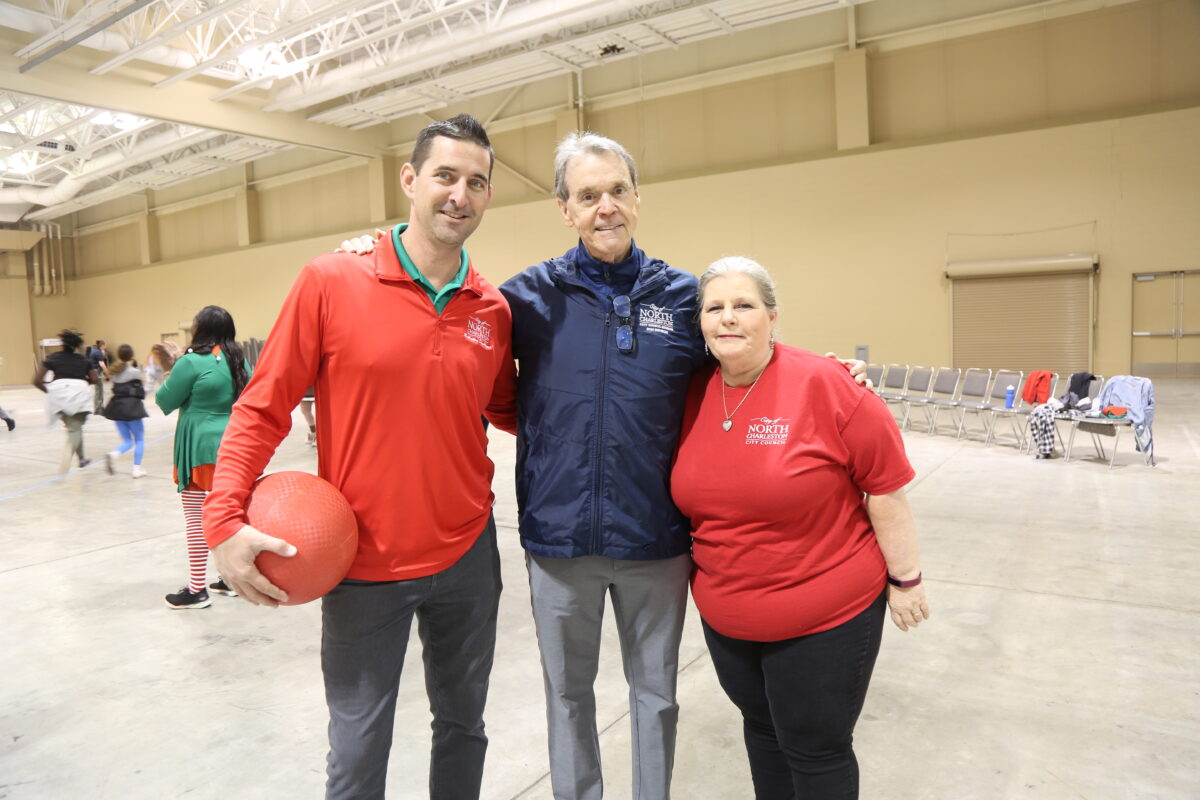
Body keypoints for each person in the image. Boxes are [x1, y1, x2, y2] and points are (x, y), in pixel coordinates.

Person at [338, 131, 866, 799]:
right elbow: (472, 363)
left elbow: (747, 362)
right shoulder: (524, 299)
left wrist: (831, 372)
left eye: (617, 192)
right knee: (568, 698)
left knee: (657, 696)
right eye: (588, 196)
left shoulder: (680, 297)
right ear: (565, 209)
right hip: (559, 544)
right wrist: (369, 251)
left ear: (637, 199)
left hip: (658, 542)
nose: (605, 208)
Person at [202, 114, 517, 800]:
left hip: (469, 555)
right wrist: (222, 522)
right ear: (409, 179)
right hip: (361, 565)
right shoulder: (329, 280)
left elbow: (511, 409)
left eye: (476, 182)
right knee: (357, 748)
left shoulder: (491, 308)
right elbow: (262, 407)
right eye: (445, 176)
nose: (459, 194)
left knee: (464, 726)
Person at [670, 257, 929, 799]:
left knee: (815, 750)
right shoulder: (691, 392)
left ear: (772, 316)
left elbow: (884, 488)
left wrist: (906, 580)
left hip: (825, 615)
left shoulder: (827, 385)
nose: (729, 318)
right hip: (727, 617)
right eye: (715, 308)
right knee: (763, 734)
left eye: (744, 305)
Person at [155, 306, 251, 609]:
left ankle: (197, 589)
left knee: (196, 520)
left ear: (201, 330)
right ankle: (230, 578)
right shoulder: (239, 361)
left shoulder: (190, 362)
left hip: (198, 448)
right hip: (234, 445)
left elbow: (165, 400)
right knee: (230, 514)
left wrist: (169, 366)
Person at [33, 329, 99, 471]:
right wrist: (84, 381)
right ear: (76, 345)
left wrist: (50, 392)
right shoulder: (83, 359)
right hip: (79, 393)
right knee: (75, 428)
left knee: (74, 427)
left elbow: (36, 380)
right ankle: (67, 455)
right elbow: (95, 379)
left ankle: (82, 459)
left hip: (58, 395)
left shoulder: (53, 358)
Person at [102, 344, 149, 478]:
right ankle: (136, 469)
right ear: (131, 355)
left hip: (116, 409)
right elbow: (142, 390)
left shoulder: (114, 372)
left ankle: (113, 454)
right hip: (132, 409)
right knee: (139, 439)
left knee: (127, 441)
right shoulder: (135, 372)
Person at [86, 339, 109, 413]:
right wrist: (107, 373)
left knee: (97, 390)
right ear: (102, 345)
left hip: (92, 372)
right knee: (99, 390)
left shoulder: (93, 350)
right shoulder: (98, 352)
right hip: (96, 372)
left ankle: (97, 408)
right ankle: (98, 409)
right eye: (105, 345)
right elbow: (102, 364)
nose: (105, 347)